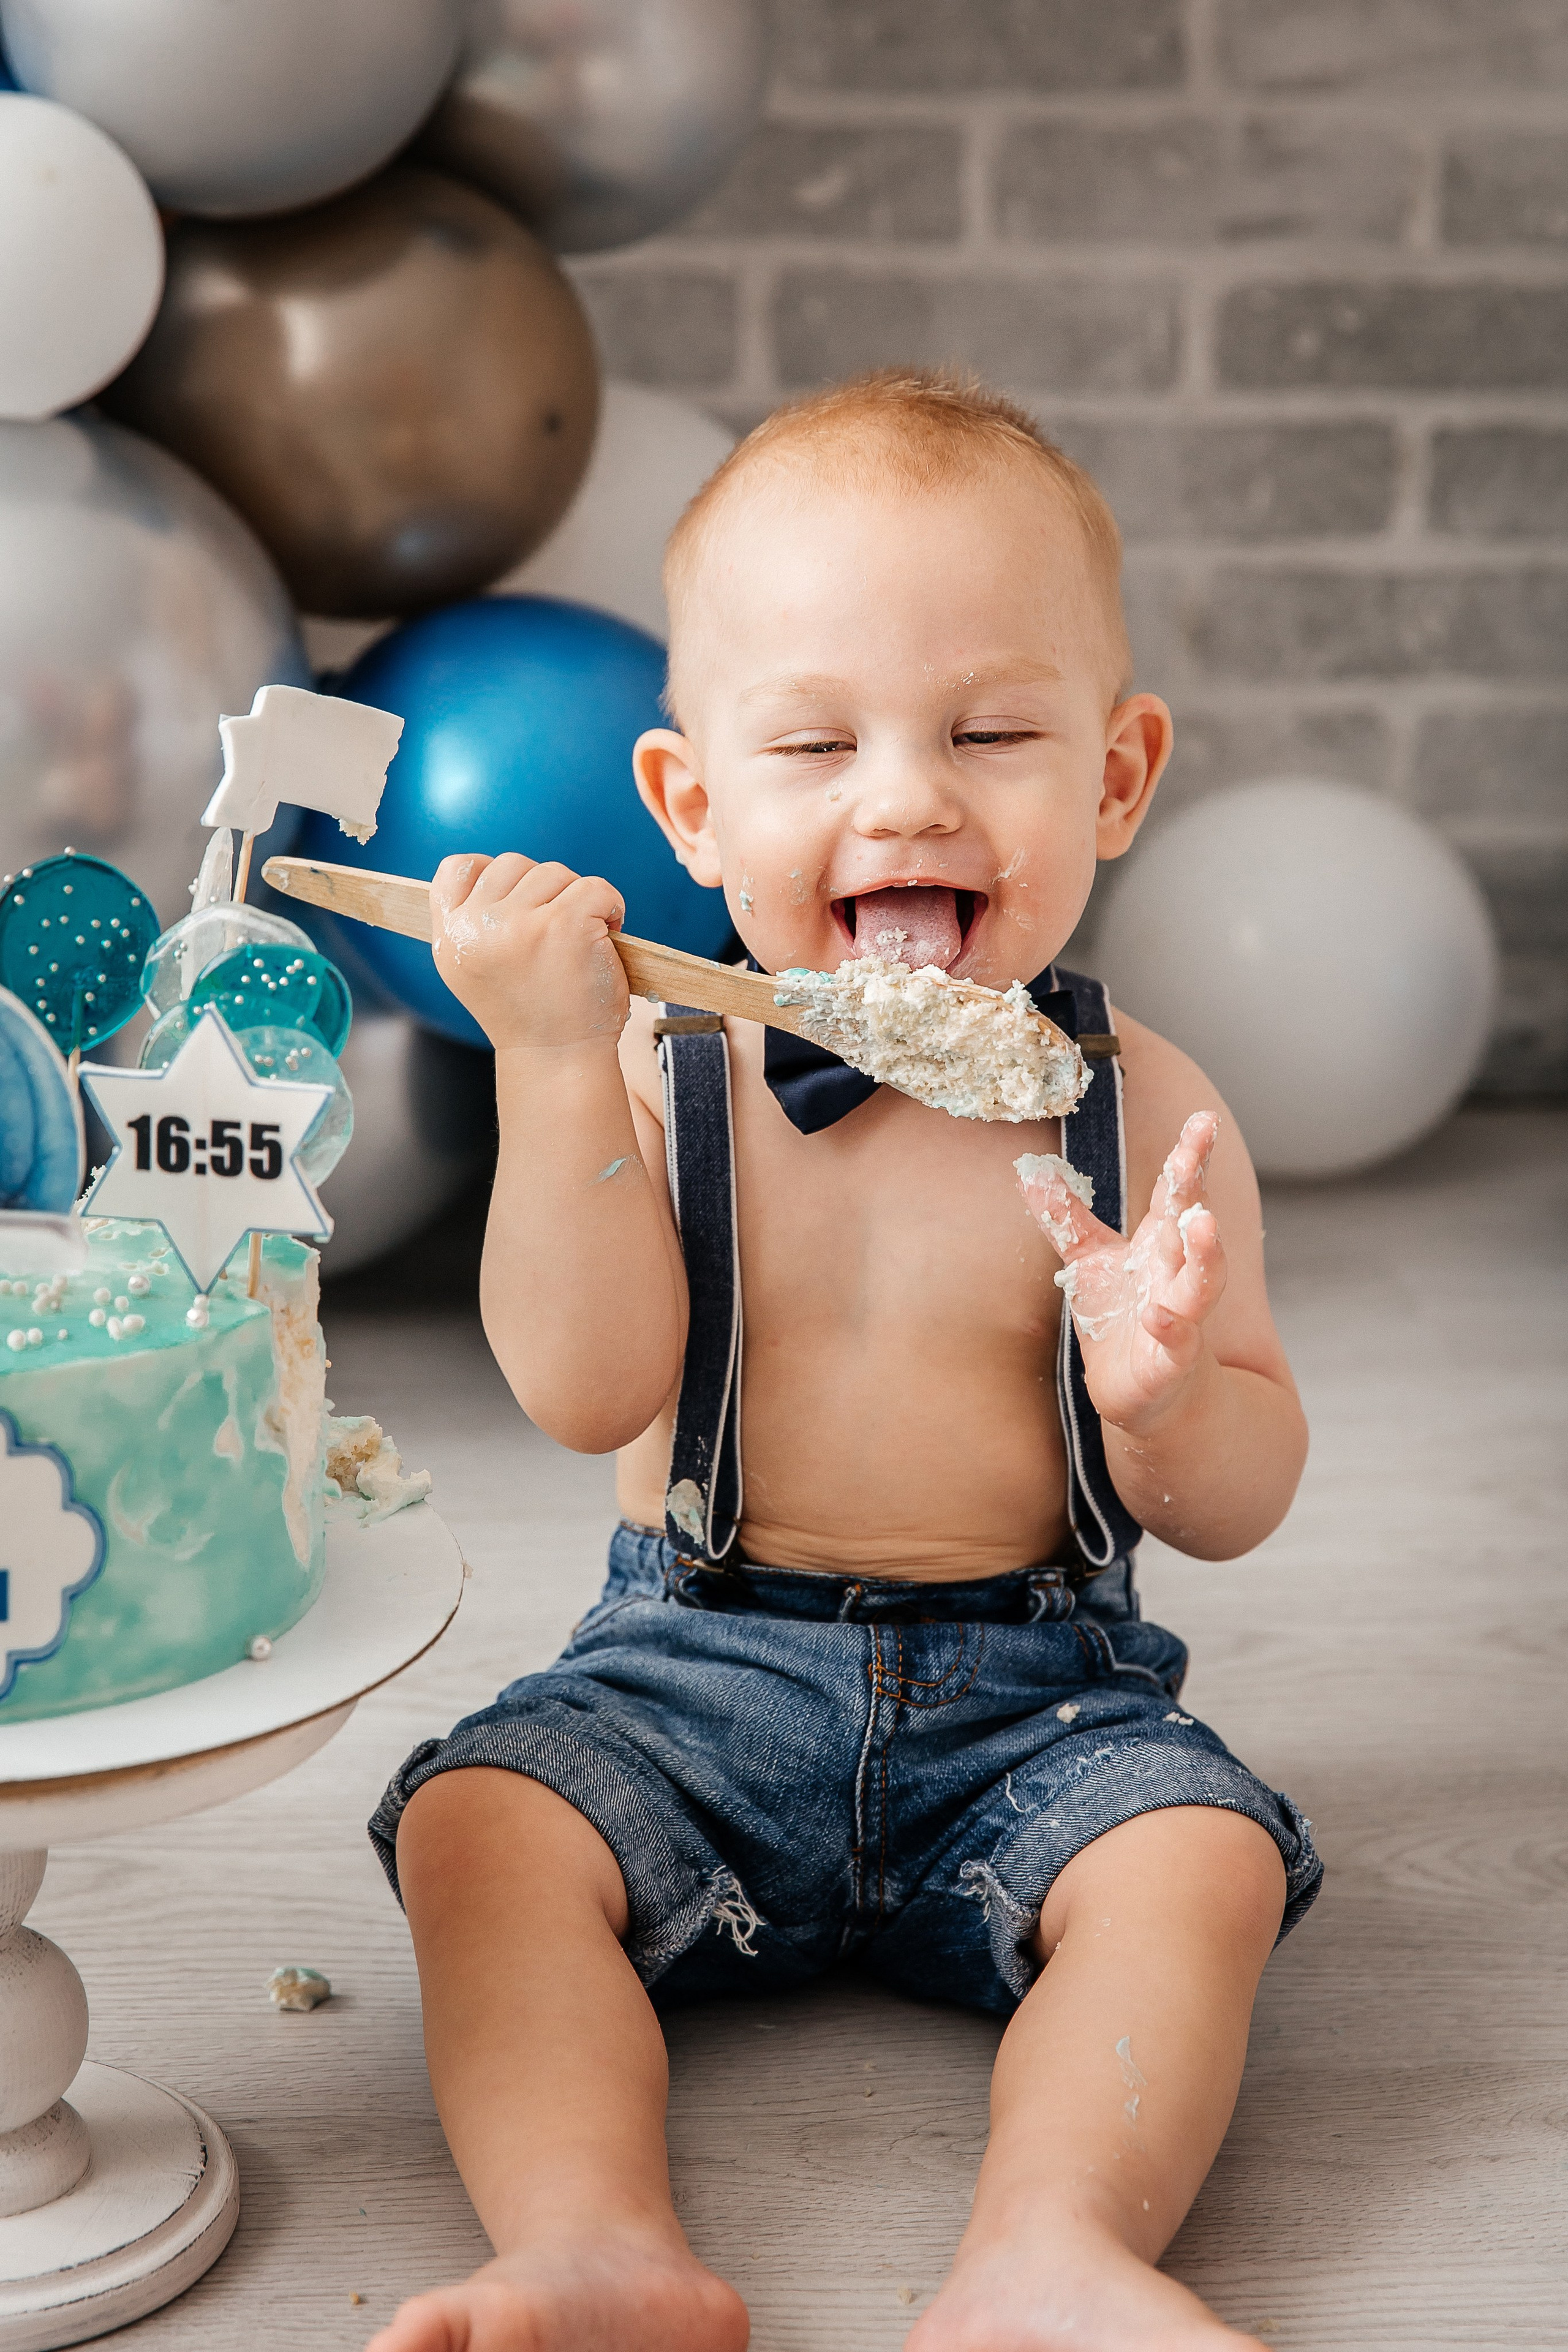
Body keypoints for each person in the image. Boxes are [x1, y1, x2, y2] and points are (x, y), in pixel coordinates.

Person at [366, 368, 1321, 2352]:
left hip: (1041, 1701)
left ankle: (1053, 2253)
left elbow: (1241, 1500)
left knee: (1202, 1866)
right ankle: (592, 2241)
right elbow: (584, 1391)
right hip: (691, 1666)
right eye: (816, 742)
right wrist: (555, 1075)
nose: (906, 798)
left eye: (990, 732)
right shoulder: (659, 1067)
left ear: (1119, 777)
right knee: (481, 1828)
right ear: (694, 804)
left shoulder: (1147, 1106)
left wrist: (1164, 1403)